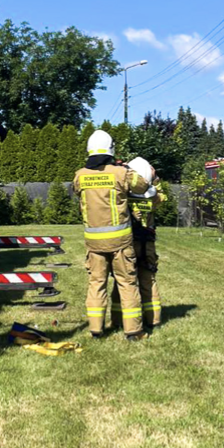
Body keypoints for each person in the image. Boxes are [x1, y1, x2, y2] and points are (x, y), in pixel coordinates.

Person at [73, 129, 148, 340]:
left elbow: (76, 191)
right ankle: (133, 331)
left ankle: (96, 330)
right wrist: (124, 168)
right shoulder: (120, 173)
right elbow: (143, 186)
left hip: (93, 243)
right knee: (126, 283)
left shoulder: (80, 175)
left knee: (96, 284)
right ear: (110, 150)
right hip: (120, 242)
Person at [126, 156, 164, 331]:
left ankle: (122, 320)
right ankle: (154, 320)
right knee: (149, 279)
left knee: (127, 282)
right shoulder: (152, 197)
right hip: (148, 242)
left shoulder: (125, 197)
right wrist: (155, 179)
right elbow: (161, 197)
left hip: (130, 242)